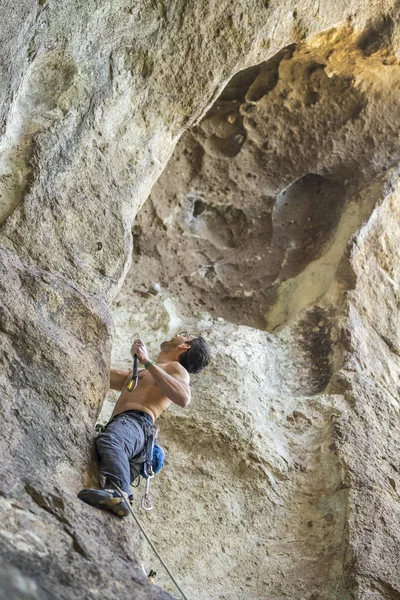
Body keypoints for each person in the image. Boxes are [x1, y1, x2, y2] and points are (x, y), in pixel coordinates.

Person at [78, 332, 210, 516]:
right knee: (109, 447)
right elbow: (102, 373)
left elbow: (184, 398)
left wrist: (147, 360)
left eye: (184, 335)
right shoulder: (142, 373)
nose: (178, 334)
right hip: (133, 436)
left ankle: (119, 494)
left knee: (112, 440)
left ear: (185, 346)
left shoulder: (176, 369)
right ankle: (114, 496)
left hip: (136, 424)